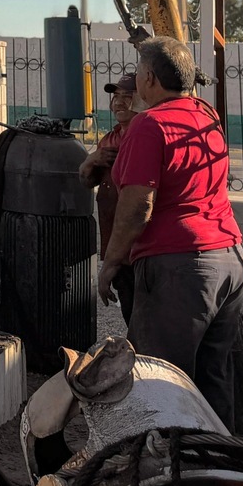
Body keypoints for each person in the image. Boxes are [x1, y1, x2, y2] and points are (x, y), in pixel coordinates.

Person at [98, 36, 243, 427]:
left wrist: (112, 262)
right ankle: (216, 468)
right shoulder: (205, 113)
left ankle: (169, 474)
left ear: (147, 77)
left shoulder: (149, 125)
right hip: (227, 258)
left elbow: (136, 207)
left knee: (160, 382)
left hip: (180, 268)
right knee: (211, 381)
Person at [79, 73, 140, 323]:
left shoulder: (144, 135)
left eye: (128, 97)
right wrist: (89, 162)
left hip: (139, 248)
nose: (119, 103)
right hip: (116, 245)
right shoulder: (112, 138)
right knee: (130, 310)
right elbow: (87, 181)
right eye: (116, 97)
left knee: (145, 318)